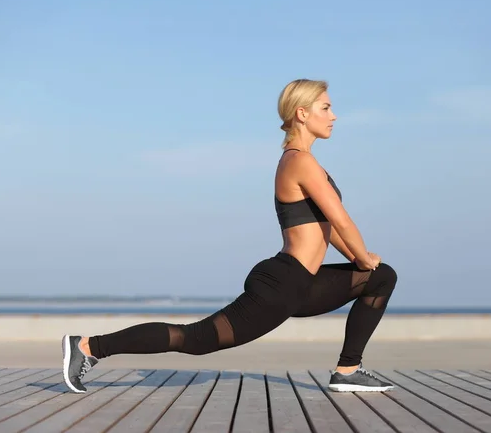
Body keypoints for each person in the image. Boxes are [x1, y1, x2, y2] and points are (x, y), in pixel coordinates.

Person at [62, 79, 397, 393]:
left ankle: (348, 370)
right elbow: (342, 219)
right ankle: (89, 346)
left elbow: (329, 226)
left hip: (303, 285)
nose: (333, 115)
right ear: (302, 113)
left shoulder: (306, 163)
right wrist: (363, 254)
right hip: (283, 283)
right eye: (325, 107)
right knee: (195, 340)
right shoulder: (300, 162)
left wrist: (358, 259)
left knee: (380, 277)